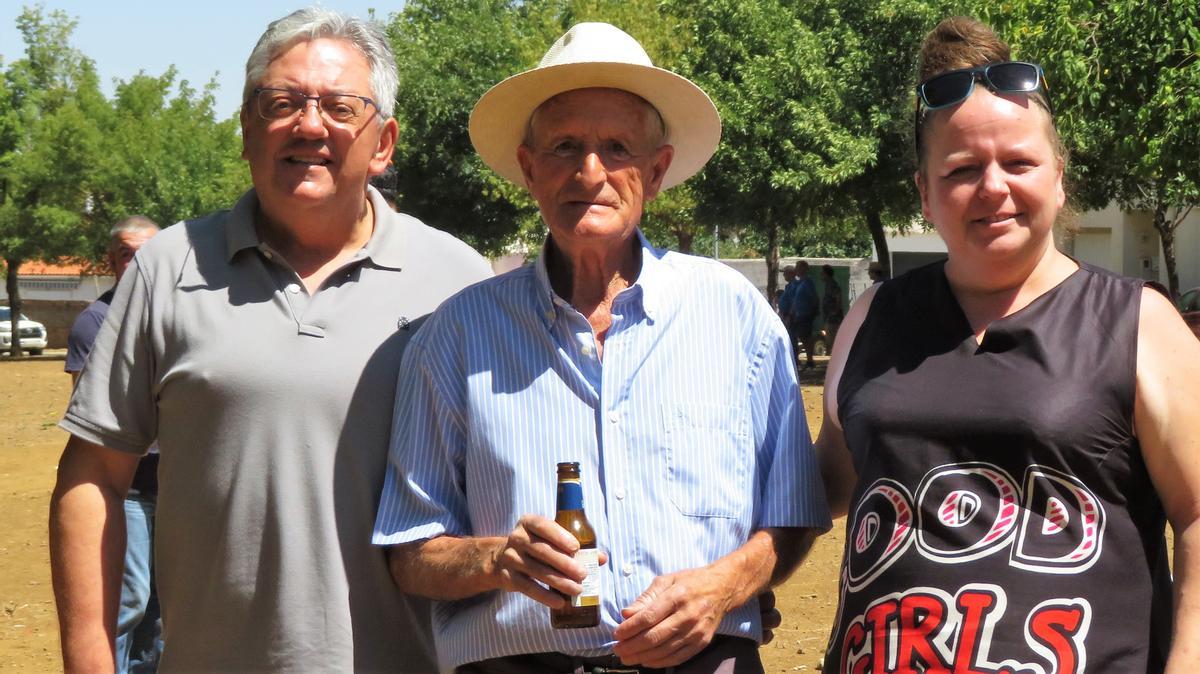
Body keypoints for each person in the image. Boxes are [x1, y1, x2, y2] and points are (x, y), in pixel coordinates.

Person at [373, 22, 830, 674]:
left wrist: (723, 587)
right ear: (529, 170)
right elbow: (409, 550)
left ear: (657, 170)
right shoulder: (457, 336)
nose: (591, 171)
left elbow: (790, 519)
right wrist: (495, 558)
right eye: (564, 147)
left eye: (617, 147)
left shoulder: (734, 319)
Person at [49, 8, 492, 672]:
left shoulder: (458, 281)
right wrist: (89, 661)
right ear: (246, 128)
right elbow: (92, 479)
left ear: (384, 143)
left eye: (340, 107)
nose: (310, 125)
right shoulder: (168, 269)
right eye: (281, 103)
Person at [817, 16, 1200, 672]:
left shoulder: (1138, 322)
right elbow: (818, 490)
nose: (993, 187)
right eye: (963, 168)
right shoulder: (873, 319)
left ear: (1059, 176)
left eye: (1019, 162)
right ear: (926, 194)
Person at [64, 215, 161, 674]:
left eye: (149, 252)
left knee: (164, 608)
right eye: (127, 253)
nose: (138, 261)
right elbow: (94, 415)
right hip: (131, 486)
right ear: (113, 261)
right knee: (130, 600)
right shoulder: (96, 321)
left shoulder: (175, 312)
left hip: (181, 484)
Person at [819, 265, 843, 353]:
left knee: (832, 339)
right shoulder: (828, 284)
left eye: (822, 273)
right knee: (829, 339)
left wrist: (835, 310)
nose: (821, 275)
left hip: (833, 318)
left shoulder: (832, 284)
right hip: (829, 316)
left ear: (826, 274)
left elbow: (838, 297)